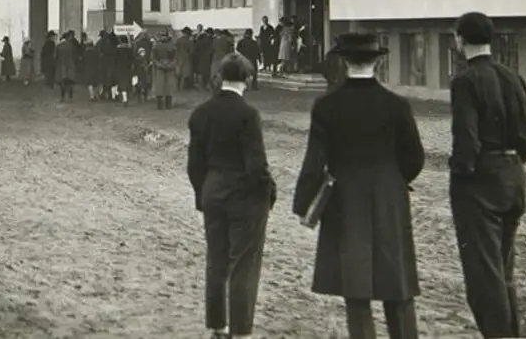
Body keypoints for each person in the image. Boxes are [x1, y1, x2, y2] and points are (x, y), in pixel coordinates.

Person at [292, 32, 425, 339]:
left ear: (343, 62)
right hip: (390, 196)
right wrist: (393, 179)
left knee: (356, 288)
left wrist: (303, 204)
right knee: (397, 283)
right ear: (378, 62)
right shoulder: (397, 105)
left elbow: (314, 162)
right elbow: (415, 158)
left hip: (345, 199)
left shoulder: (326, 106)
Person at [447, 12, 526, 338]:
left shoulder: (465, 81)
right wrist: (510, 164)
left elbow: (466, 142)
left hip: (480, 186)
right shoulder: (513, 78)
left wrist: (463, 173)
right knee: (504, 274)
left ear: (460, 40)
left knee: (484, 280)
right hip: (513, 179)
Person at [189, 53, 276, 339]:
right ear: (248, 80)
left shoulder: (200, 113)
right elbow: (256, 165)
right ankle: (240, 331)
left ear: (220, 78)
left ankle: (217, 325)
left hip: (213, 191)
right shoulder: (248, 115)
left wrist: (202, 192)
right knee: (243, 264)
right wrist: (268, 192)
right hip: (245, 197)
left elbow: (194, 165)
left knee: (216, 260)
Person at [152, 30, 180, 110]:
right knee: (161, 86)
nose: (163, 37)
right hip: (163, 67)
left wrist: (168, 64)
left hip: (166, 67)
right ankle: (162, 104)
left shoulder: (170, 46)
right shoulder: (157, 46)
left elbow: (175, 57)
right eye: (162, 35)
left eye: (164, 35)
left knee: (167, 86)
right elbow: (153, 57)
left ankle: (166, 104)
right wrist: (161, 64)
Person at [108, 34, 134, 105]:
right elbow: (132, 59)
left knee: (115, 82)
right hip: (126, 68)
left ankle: (114, 96)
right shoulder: (129, 49)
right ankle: (125, 99)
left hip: (117, 68)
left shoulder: (117, 49)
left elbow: (114, 60)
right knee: (124, 84)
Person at [56, 30, 79, 101]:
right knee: (70, 81)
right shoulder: (71, 46)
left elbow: (55, 57)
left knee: (62, 82)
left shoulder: (58, 46)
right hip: (70, 66)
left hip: (61, 66)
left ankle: (62, 97)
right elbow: (75, 56)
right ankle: (70, 94)